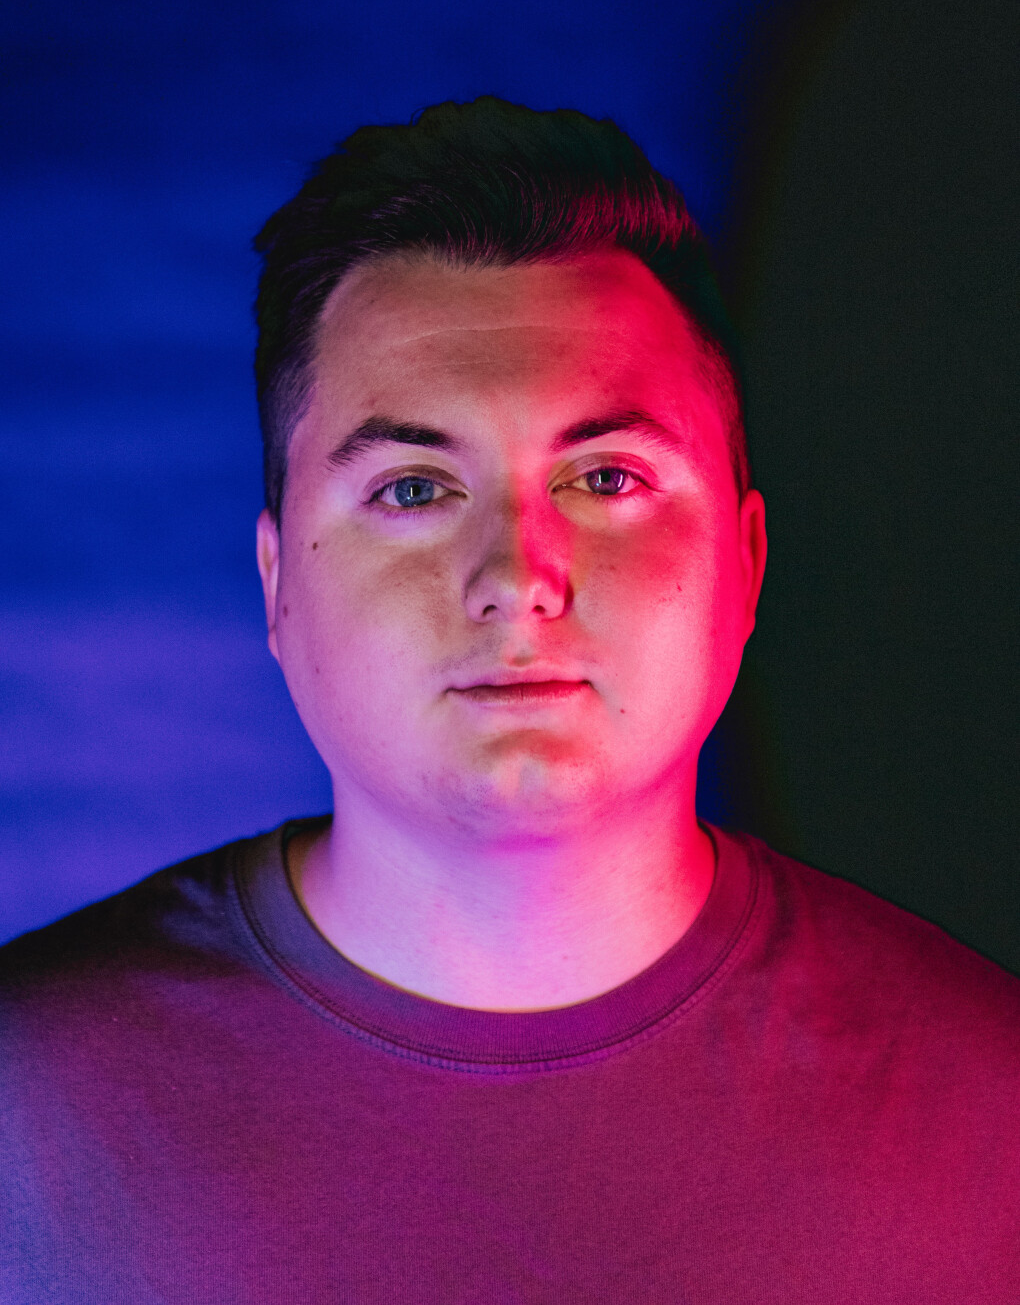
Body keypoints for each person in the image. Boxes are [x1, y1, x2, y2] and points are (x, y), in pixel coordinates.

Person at [1, 98, 1016, 1303]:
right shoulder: (26, 1115)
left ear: (746, 564)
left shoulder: (991, 1113)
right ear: (278, 585)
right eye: (414, 488)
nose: (517, 576)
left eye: (606, 477)